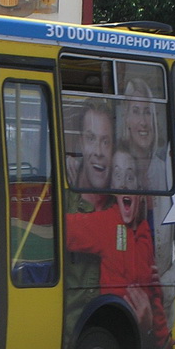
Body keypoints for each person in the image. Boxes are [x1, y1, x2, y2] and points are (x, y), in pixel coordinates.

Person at [65, 145, 175, 349]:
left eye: (130, 176)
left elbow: (155, 297)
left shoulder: (145, 233)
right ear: (113, 189)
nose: (124, 183)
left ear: (138, 186)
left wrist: (165, 343)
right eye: (117, 175)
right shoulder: (107, 223)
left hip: (146, 339)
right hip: (116, 329)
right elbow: (64, 229)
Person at [121, 79, 175, 349]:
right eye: (135, 111)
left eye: (148, 111)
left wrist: (163, 289)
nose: (143, 120)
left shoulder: (169, 175)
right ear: (125, 118)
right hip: (123, 310)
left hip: (163, 320)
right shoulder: (117, 173)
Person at [63, 98, 115, 330]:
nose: (98, 152)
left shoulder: (124, 206)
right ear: (80, 144)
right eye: (91, 139)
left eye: (106, 142)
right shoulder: (64, 200)